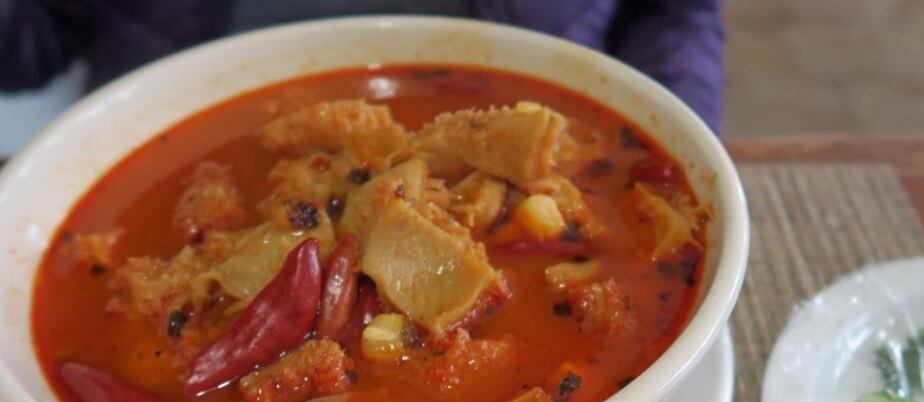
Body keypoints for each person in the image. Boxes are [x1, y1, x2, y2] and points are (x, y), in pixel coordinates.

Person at [0, 0, 724, 130]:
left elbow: (671, 11)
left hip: (530, 162)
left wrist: (666, 136)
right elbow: (36, 34)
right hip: (172, 156)